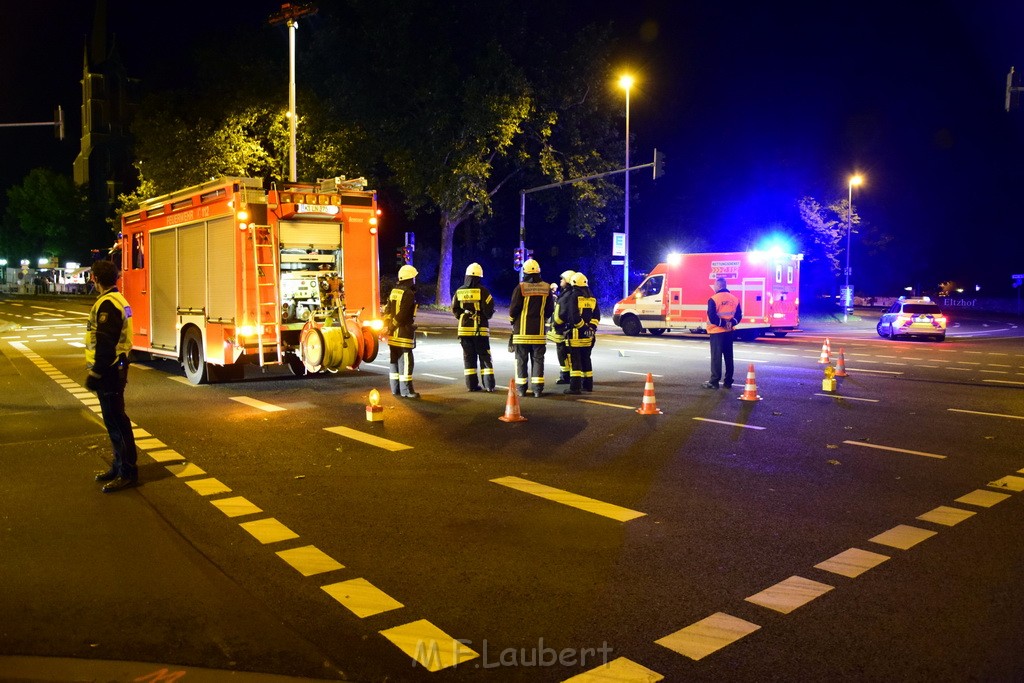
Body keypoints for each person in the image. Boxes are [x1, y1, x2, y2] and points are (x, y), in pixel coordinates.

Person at [86, 259, 139, 493]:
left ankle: (127, 471)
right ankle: (119, 466)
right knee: (115, 421)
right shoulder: (118, 300)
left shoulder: (107, 304)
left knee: (116, 421)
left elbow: (105, 342)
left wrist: (96, 372)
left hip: (109, 370)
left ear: (95, 278)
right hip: (116, 367)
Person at [508, 259, 553, 397]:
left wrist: (512, 321)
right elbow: (550, 309)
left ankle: (521, 389)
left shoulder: (520, 287)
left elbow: (513, 309)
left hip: (521, 333)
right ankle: (537, 390)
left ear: (525, 272)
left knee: (521, 360)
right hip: (538, 333)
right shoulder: (547, 288)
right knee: (538, 360)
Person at [452, 263, 497, 392]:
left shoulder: (459, 291)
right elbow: (489, 310)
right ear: (479, 277)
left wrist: (463, 316)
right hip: (480, 329)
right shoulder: (483, 291)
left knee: (468, 357)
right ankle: (488, 385)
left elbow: (455, 309)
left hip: (464, 329)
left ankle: (471, 385)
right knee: (484, 356)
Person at [556, 272, 601, 394]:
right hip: (589, 336)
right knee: (586, 359)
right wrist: (590, 328)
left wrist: (582, 328)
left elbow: (573, 317)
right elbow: (596, 316)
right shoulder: (592, 298)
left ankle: (574, 388)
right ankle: (588, 385)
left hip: (576, 335)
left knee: (575, 362)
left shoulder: (574, 296)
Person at [385, 264, 420, 399]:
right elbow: (403, 314)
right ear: (409, 278)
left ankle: (395, 389)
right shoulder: (409, 293)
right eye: (413, 278)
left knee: (394, 361)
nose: (414, 280)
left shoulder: (394, 291)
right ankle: (407, 391)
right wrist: (395, 325)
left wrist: (389, 326)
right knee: (406, 361)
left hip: (392, 335)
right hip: (403, 334)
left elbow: (387, 311)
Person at [703, 276, 742, 389]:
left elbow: (712, 316)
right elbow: (739, 315)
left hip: (716, 332)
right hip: (729, 332)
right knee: (729, 357)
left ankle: (714, 382)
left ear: (719, 286)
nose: (714, 287)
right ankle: (728, 381)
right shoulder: (734, 299)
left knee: (716, 357)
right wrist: (731, 322)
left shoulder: (713, 299)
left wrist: (723, 323)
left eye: (715, 285)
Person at [547, 269, 576, 384]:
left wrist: (556, 323)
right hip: (564, 330)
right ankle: (566, 375)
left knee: (563, 353)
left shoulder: (567, 295)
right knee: (565, 353)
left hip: (562, 330)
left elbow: (561, 314)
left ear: (568, 281)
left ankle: (565, 376)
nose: (561, 280)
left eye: (563, 279)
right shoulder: (567, 293)